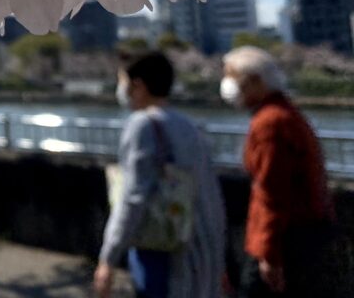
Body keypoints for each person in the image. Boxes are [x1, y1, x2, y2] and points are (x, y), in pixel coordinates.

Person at [95, 51, 225, 298]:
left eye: (122, 82)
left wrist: (108, 258)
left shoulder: (142, 125)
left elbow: (133, 197)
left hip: (159, 249)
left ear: (138, 85)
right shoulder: (189, 125)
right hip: (197, 248)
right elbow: (210, 192)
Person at [221, 46, 338, 297]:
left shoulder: (270, 123)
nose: (227, 84)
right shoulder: (284, 114)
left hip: (285, 239)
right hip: (300, 233)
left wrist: (269, 253)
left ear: (254, 81)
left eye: (230, 76)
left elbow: (272, 191)